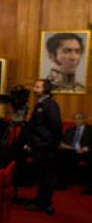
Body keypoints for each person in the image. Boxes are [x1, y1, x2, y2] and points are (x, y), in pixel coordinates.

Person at [24, 79, 62, 214]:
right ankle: (40, 200)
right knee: (42, 175)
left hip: (46, 147)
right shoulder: (41, 103)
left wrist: (51, 145)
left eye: (37, 86)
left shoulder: (50, 105)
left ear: (45, 89)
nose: (34, 89)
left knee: (47, 176)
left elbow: (56, 127)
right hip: (40, 145)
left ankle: (45, 203)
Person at [55, 112, 90, 189]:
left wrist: (84, 149)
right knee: (59, 154)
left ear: (84, 119)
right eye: (75, 119)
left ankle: (89, 186)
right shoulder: (69, 130)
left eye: (79, 119)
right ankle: (61, 183)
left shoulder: (90, 130)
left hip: (83, 152)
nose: (76, 121)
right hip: (70, 151)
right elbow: (61, 141)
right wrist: (62, 145)